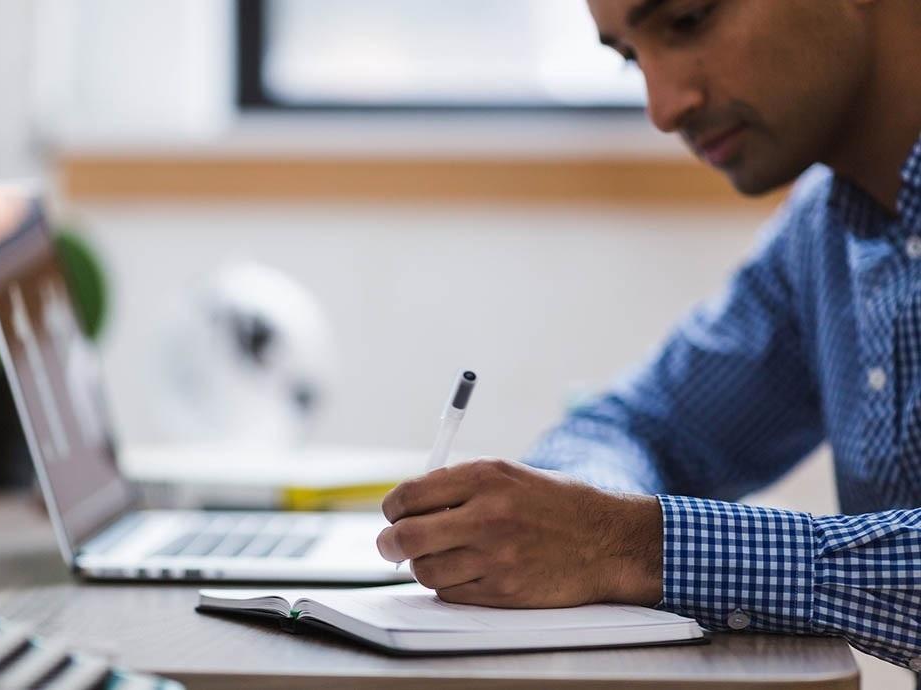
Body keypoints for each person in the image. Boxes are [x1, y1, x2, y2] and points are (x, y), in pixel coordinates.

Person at [376, 0, 921, 672]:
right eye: (632, 57)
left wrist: (632, 545)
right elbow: (640, 426)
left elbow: (626, 533)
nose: (663, 109)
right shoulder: (825, 230)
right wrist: (568, 522)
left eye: (688, 21)